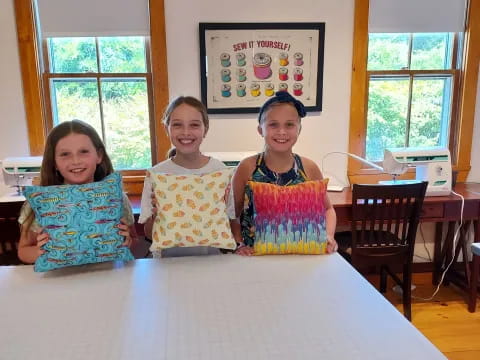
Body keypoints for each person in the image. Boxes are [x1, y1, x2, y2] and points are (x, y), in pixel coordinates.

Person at [232, 91, 337, 256]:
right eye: (273, 124)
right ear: (261, 130)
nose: (282, 131)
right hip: (254, 258)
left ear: (299, 129)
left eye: (289, 125)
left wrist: (329, 236)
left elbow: (328, 210)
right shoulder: (247, 167)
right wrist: (238, 243)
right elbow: (233, 213)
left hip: (301, 258)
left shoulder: (309, 167)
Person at [17, 119, 137, 264]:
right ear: (54, 162)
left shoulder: (116, 199)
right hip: (59, 281)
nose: (75, 161)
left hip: (106, 277)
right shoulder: (39, 203)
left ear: (99, 155)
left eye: (83, 152)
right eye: (65, 154)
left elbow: (134, 241)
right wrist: (39, 251)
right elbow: (23, 251)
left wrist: (127, 242)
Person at [138, 96, 238, 258]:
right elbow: (149, 234)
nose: (186, 132)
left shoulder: (219, 171)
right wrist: (158, 216)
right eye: (177, 125)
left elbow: (231, 222)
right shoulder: (157, 175)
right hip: (167, 264)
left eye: (194, 125)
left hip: (210, 260)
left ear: (205, 129)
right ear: (167, 128)